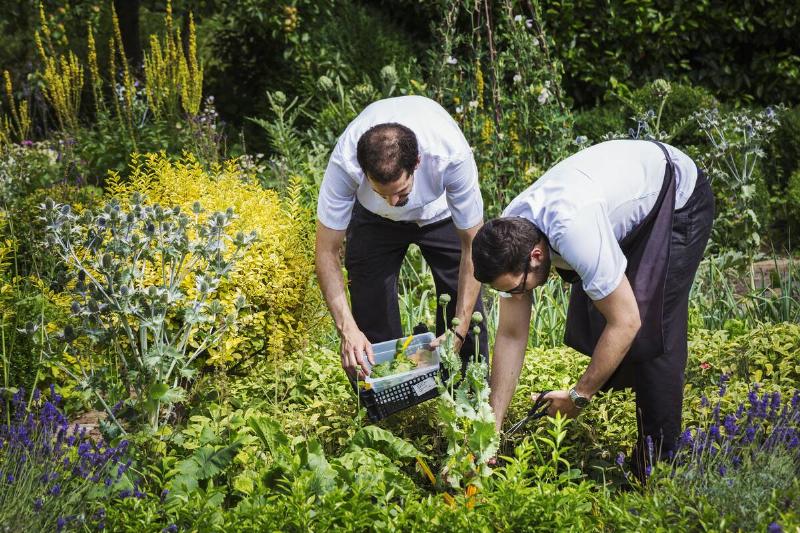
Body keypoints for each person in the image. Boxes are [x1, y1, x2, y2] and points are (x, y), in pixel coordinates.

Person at [471, 139, 714, 475]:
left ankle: (658, 466)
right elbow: (511, 334)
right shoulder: (513, 230)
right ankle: (620, 382)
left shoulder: (574, 230)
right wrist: (492, 428)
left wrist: (578, 397)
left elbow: (627, 322)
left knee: (654, 332)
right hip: (622, 201)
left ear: (536, 256)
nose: (516, 295)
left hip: (676, 198)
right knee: (597, 321)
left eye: (516, 288)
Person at [315, 95, 488, 380]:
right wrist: (348, 330)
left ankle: (468, 398)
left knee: (463, 314)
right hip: (373, 221)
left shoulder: (450, 155)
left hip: (440, 212)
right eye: (383, 193)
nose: (394, 202)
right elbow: (326, 251)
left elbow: (473, 243)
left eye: (402, 192)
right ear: (363, 171)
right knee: (369, 314)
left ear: (417, 162)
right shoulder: (345, 162)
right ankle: (383, 408)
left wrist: (459, 329)